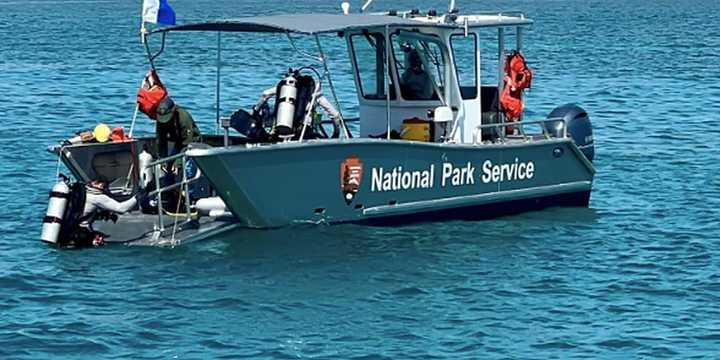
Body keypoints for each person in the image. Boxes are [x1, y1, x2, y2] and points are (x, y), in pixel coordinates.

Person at [153, 96, 202, 202]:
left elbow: (187, 143)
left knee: (188, 169)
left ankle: (190, 198)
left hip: (192, 143)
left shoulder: (183, 117)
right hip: (178, 143)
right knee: (168, 166)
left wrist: (178, 163)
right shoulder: (160, 119)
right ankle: (169, 194)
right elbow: (161, 141)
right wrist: (162, 160)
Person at [68, 180, 145, 247]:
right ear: (100, 185)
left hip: (69, 231)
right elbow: (121, 208)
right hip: (82, 234)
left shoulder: (82, 194)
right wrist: (137, 197)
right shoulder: (97, 197)